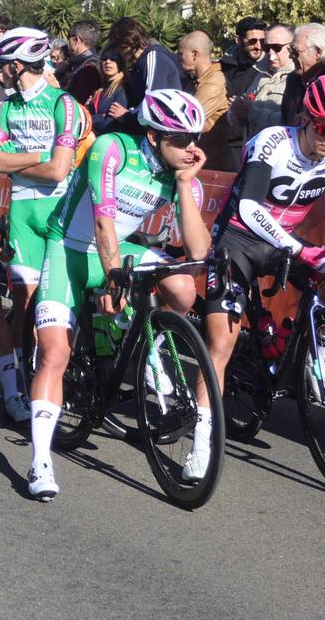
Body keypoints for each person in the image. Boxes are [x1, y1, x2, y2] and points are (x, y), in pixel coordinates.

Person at [27, 89, 211, 499]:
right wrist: (115, 279)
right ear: (151, 136)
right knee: (55, 353)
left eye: (194, 138)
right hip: (71, 247)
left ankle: (145, 345)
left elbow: (198, 253)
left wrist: (184, 184)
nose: (190, 148)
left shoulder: (179, 171)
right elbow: (103, 222)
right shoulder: (111, 149)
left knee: (182, 287)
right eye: (179, 139)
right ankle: (40, 462)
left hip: (120, 249)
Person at [202, 71, 325, 428]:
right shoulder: (273, 142)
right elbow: (249, 208)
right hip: (238, 238)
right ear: (306, 118)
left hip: (285, 241)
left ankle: (317, 354)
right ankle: (202, 442)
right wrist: (295, 247)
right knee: (221, 344)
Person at [0, 26, 87, 425]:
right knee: (24, 303)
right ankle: (12, 392)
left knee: (55, 306)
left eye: (2, 65)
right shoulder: (6, 108)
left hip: (60, 212)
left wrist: (18, 156)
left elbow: (60, 168)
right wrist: (36, 156)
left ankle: (55, 376)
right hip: (24, 213)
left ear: (14, 65)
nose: (0, 72)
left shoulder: (62, 103)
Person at [105, 16, 182, 127]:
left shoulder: (154, 59)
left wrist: (127, 115)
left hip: (165, 130)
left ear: (128, 43)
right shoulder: (138, 63)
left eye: (118, 46)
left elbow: (153, 104)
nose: (117, 51)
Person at [284, 23, 325, 127]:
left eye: (295, 51)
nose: (290, 56)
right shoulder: (293, 79)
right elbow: (286, 118)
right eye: (290, 50)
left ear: (318, 52)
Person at [222, 18, 270, 102]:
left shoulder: (268, 70)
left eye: (262, 41)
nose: (258, 46)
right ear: (238, 40)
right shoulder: (224, 65)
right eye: (252, 41)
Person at [62, 19, 105, 105]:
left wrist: (55, 88)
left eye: (68, 37)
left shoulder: (89, 69)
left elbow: (77, 102)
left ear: (76, 40)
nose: (67, 42)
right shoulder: (79, 63)